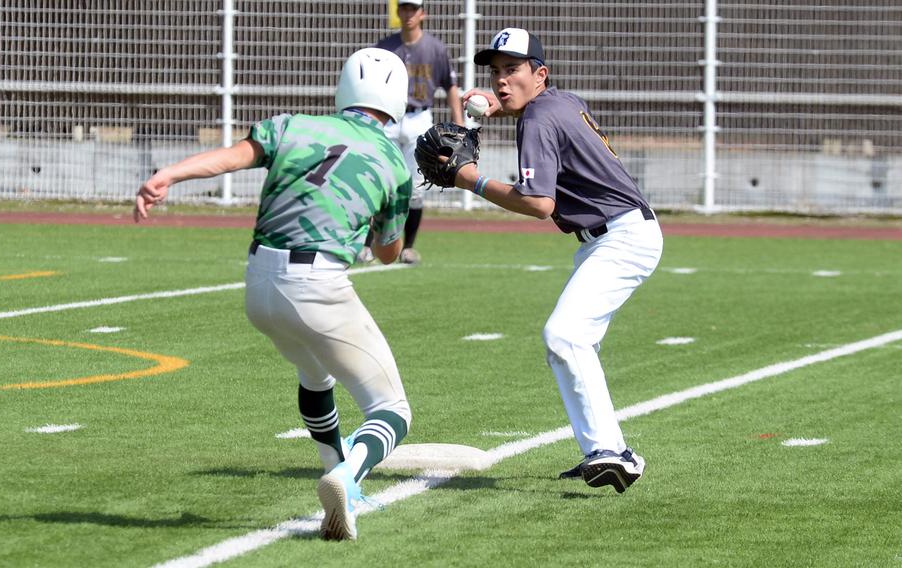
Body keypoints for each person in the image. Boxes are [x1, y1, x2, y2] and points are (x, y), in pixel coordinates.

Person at [133, 48, 414, 539]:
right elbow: (390, 253)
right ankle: (348, 477)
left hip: (258, 284)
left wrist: (169, 174)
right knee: (392, 411)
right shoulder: (393, 160)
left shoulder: (293, 125)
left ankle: (333, 466)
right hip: (316, 285)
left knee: (315, 371)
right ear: (397, 100)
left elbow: (230, 158)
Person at [457, 28, 664, 493]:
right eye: (496, 73)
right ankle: (612, 451)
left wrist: (470, 180)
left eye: (513, 70)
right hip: (615, 234)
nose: (502, 81)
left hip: (621, 237)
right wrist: (497, 107)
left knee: (564, 335)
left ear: (540, 73)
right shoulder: (560, 101)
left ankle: (608, 452)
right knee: (573, 341)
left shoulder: (538, 119)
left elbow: (539, 204)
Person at [357, 0, 464, 265]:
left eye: (412, 9)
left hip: (419, 118)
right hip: (389, 118)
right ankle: (367, 245)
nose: (407, 13)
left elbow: (450, 87)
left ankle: (409, 247)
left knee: (416, 186)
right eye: (403, 8)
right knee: (379, 181)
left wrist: (459, 125)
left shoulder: (435, 48)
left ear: (422, 13)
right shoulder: (384, 47)